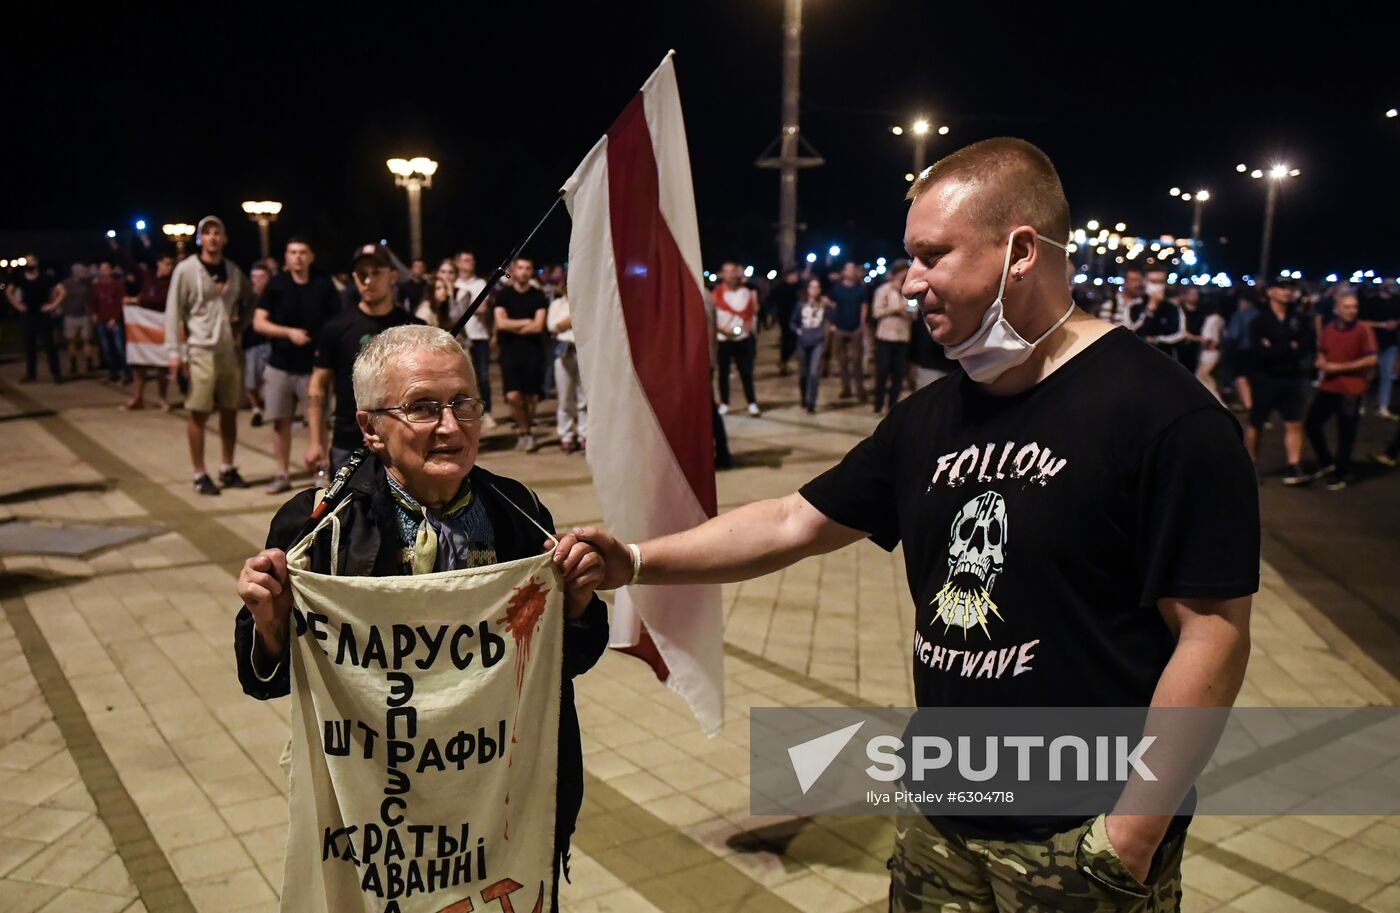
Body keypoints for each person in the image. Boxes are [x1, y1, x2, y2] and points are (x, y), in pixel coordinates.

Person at [565, 137, 1257, 912]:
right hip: (940, 818)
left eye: (932, 255)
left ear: (1021, 252)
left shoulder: (1166, 417)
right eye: (909, 258)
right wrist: (633, 558)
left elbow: (1212, 634)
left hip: (1079, 835)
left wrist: (1130, 832)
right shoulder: (929, 417)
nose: (910, 281)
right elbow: (792, 520)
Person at [234, 324, 610, 908]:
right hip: (380, 814)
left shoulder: (518, 512)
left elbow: (562, 666)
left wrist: (579, 605)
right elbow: (263, 678)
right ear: (369, 429)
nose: (451, 427)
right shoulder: (320, 529)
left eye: (464, 404)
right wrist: (271, 625)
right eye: (423, 408)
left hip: (499, 810)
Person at [306, 244, 420, 475]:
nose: (368, 281)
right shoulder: (336, 327)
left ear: (393, 276)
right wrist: (316, 441)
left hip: (402, 438)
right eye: (361, 274)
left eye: (376, 272)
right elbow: (318, 383)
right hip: (348, 443)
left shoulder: (413, 328)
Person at [166, 215, 255, 495]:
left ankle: (227, 466)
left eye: (217, 233)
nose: (213, 238)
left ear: (224, 238)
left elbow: (251, 299)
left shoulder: (233, 270)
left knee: (230, 409)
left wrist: (240, 326)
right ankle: (199, 472)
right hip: (200, 349)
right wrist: (174, 352)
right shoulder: (186, 269)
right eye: (207, 233)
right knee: (199, 411)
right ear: (200, 239)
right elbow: (173, 311)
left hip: (228, 350)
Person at [254, 238, 343, 493]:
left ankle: (321, 472)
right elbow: (259, 322)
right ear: (286, 256)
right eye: (293, 252)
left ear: (311, 256)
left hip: (314, 367)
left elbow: (337, 321)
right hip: (280, 365)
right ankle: (282, 473)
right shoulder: (277, 284)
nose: (298, 257)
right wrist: (288, 333)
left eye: (303, 252)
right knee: (280, 421)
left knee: (319, 421)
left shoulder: (323, 284)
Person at [1301, 292, 1377, 490]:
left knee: (1346, 432)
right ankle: (1327, 461)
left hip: (1351, 389)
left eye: (1354, 307)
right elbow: (1323, 350)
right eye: (1347, 307)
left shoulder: (1363, 329)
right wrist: (1321, 361)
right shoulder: (1329, 328)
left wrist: (1338, 368)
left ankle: (1341, 472)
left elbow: (1371, 359)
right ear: (1336, 309)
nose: (1352, 311)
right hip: (1329, 386)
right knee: (1311, 424)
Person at [1245, 278, 1313, 484]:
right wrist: (1287, 346)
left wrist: (1275, 346)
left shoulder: (1299, 320)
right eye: (1282, 288)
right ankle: (1249, 464)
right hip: (1265, 378)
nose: (1287, 292)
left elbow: (1304, 348)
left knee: (1294, 422)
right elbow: (1260, 352)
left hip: (1291, 378)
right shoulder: (1259, 321)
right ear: (1270, 292)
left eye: (1290, 288)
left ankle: (1294, 465)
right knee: (1256, 422)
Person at [493, 257, 549, 451]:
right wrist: (526, 322)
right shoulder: (503, 295)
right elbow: (501, 323)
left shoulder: (538, 296)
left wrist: (513, 325)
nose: (524, 271)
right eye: (520, 268)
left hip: (532, 351)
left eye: (528, 268)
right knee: (513, 396)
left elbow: (538, 326)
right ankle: (524, 432)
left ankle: (528, 431)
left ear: (531, 271)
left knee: (531, 397)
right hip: (509, 351)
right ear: (514, 271)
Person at [123, 247, 177, 411]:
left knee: (162, 365)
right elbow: (132, 265)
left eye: (171, 265)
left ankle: (162, 399)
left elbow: (160, 301)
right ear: (159, 263)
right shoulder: (149, 277)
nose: (169, 268)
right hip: (143, 326)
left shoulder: (172, 283)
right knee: (140, 364)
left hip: (162, 326)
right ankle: (137, 398)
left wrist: (137, 300)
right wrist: (116, 246)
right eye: (166, 264)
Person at [713, 261, 761, 416]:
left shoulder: (746, 292)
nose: (730, 275)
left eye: (732, 271)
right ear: (722, 274)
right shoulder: (716, 294)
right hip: (723, 339)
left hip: (742, 338)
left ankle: (752, 403)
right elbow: (712, 318)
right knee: (723, 374)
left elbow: (751, 313)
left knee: (746, 373)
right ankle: (724, 403)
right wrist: (722, 329)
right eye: (726, 272)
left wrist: (747, 327)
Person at [7, 254, 64, 383]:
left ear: (36, 262)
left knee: (49, 344)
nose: (29, 263)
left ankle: (56, 373)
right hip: (28, 315)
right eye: (27, 261)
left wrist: (53, 305)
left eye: (31, 260)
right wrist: (17, 305)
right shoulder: (20, 277)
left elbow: (62, 291)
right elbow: (9, 291)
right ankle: (30, 374)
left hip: (42, 314)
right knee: (29, 345)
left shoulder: (45, 276)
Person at [454, 251, 494, 427]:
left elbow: (482, 308)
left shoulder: (480, 284)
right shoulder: (454, 284)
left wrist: (459, 305)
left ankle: (487, 412)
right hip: (459, 338)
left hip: (479, 335)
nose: (470, 262)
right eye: (465, 260)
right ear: (458, 263)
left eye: (471, 260)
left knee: (482, 376)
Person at [547, 276, 587, 452]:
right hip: (564, 351)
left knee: (584, 398)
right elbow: (553, 326)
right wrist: (573, 319)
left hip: (583, 350)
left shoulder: (585, 302)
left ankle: (585, 433)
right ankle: (566, 435)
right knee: (564, 398)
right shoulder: (557, 304)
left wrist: (565, 323)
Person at [870, 259, 916, 413]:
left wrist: (906, 311)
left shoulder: (908, 292)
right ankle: (878, 405)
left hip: (902, 338)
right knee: (882, 372)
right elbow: (877, 312)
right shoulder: (883, 290)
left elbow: (914, 314)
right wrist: (895, 309)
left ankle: (892, 407)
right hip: (885, 337)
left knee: (898, 374)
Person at [790, 277, 833, 413]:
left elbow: (833, 317)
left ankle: (812, 402)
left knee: (814, 372)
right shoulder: (800, 304)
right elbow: (792, 322)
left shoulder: (823, 305)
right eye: (812, 287)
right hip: (803, 341)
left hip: (818, 341)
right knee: (803, 373)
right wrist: (798, 330)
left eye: (817, 287)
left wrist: (830, 305)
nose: (814, 290)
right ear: (807, 289)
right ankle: (803, 397)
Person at [828, 261, 869, 400]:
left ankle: (860, 389)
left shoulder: (860, 289)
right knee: (842, 361)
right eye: (849, 269)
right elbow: (833, 306)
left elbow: (864, 307)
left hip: (855, 329)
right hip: (840, 328)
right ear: (844, 272)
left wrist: (862, 324)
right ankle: (846, 389)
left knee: (857, 361)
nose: (851, 271)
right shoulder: (837, 289)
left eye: (853, 269)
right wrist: (832, 323)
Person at [1127, 267, 1186, 361]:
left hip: (1164, 358)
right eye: (1153, 281)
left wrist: (1156, 340)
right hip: (1137, 357)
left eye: (1160, 282)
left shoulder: (1173, 307)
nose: (1157, 286)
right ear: (1145, 282)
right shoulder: (1134, 306)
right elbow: (1131, 330)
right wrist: (1150, 309)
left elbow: (1180, 334)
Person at [1359, 282, 1399, 418]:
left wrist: (1396, 323)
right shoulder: (1371, 302)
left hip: (1390, 343)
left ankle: (1383, 406)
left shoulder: (1396, 301)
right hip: (1372, 343)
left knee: (1386, 376)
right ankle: (1360, 404)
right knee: (1367, 374)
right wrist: (1382, 325)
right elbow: (1362, 322)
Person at [92, 262, 131, 384]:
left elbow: (121, 303)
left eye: (106, 269)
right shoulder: (97, 286)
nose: (104, 271)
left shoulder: (117, 285)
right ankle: (113, 373)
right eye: (102, 269)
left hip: (115, 322)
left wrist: (115, 318)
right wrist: (94, 314)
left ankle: (127, 373)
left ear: (110, 270)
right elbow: (93, 301)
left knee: (120, 349)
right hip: (102, 321)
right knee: (107, 349)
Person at [243, 265, 272, 425]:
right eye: (254, 276)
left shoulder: (274, 296)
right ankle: (256, 410)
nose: (258, 280)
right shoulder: (246, 298)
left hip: (272, 343)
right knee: (251, 380)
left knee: (271, 381)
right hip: (251, 344)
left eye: (262, 277)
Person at [59, 263, 96, 375]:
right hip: (70, 315)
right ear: (75, 272)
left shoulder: (87, 284)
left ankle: (89, 363)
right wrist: (60, 308)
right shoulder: (66, 284)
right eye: (81, 271)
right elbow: (59, 295)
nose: (83, 273)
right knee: (71, 341)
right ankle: (73, 364)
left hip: (84, 315)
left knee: (87, 340)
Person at [768, 266, 802, 375]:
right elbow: (770, 299)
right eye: (794, 275)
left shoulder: (798, 287)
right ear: (788, 276)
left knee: (795, 341)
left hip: (797, 318)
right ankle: (783, 361)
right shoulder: (780, 287)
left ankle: (784, 361)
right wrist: (774, 312)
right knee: (787, 341)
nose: (796, 277)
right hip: (785, 318)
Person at [1194, 300, 1226, 403]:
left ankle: (1217, 402)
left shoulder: (1210, 320)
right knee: (1208, 378)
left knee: (1200, 377)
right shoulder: (1220, 319)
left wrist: (1190, 337)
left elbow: (1207, 339)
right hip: (1216, 352)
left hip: (1209, 352)